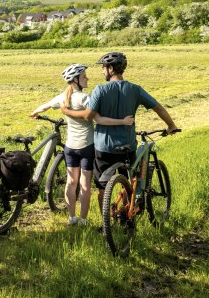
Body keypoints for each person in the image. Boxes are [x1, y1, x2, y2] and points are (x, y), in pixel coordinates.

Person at [61, 52, 179, 211]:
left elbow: (88, 115)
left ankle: (105, 222)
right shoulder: (135, 89)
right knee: (128, 183)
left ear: (110, 69)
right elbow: (157, 107)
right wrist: (171, 125)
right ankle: (126, 214)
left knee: (103, 187)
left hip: (104, 148)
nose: (102, 71)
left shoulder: (100, 90)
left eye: (103, 68)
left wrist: (67, 112)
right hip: (127, 145)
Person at [30, 63, 134, 226]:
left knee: (71, 183)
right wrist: (123, 121)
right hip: (86, 147)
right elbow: (98, 119)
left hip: (70, 147)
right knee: (84, 185)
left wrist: (35, 113)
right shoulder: (85, 98)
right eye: (84, 76)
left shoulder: (63, 97)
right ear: (76, 80)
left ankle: (72, 218)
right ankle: (83, 220)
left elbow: (46, 106)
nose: (87, 78)